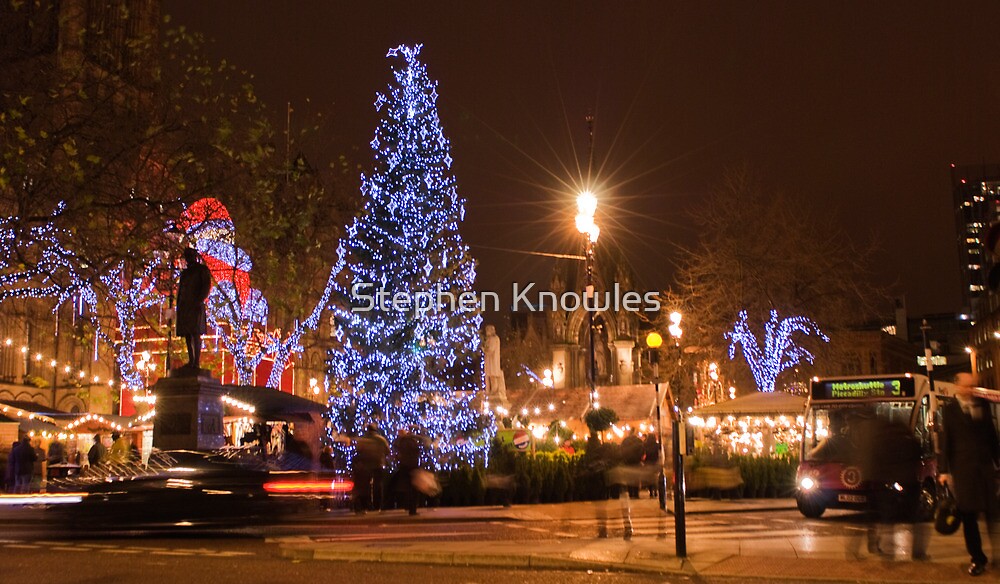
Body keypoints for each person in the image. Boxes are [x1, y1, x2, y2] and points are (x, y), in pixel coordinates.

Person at [938, 373, 1000, 577]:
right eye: (967, 386)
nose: (971, 390)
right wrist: (944, 471)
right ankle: (977, 558)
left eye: (973, 386)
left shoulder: (982, 404)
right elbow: (945, 441)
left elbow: (992, 437)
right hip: (963, 471)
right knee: (969, 517)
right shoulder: (949, 410)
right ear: (957, 387)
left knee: (993, 515)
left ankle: (997, 555)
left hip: (985, 470)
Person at [176, 247, 212, 370]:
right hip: (185, 306)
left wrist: (199, 300)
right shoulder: (185, 273)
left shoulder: (202, 270)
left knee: (195, 333)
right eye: (186, 256)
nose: (188, 259)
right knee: (187, 333)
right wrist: (179, 306)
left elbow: (206, 286)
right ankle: (191, 360)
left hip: (195, 305)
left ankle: (196, 362)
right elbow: (181, 290)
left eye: (189, 256)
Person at [352, 423, 390, 514]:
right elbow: (387, 451)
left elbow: (358, 451)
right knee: (378, 486)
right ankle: (378, 506)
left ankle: (367, 506)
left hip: (366, 466)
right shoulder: (381, 439)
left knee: (366, 486)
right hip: (378, 464)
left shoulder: (363, 440)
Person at [392, 426, 423, 515]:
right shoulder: (411, 441)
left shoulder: (400, 442)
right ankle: (412, 509)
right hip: (412, 465)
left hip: (404, 465)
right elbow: (416, 451)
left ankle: (407, 506)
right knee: (413, 488)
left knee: (407, 487)